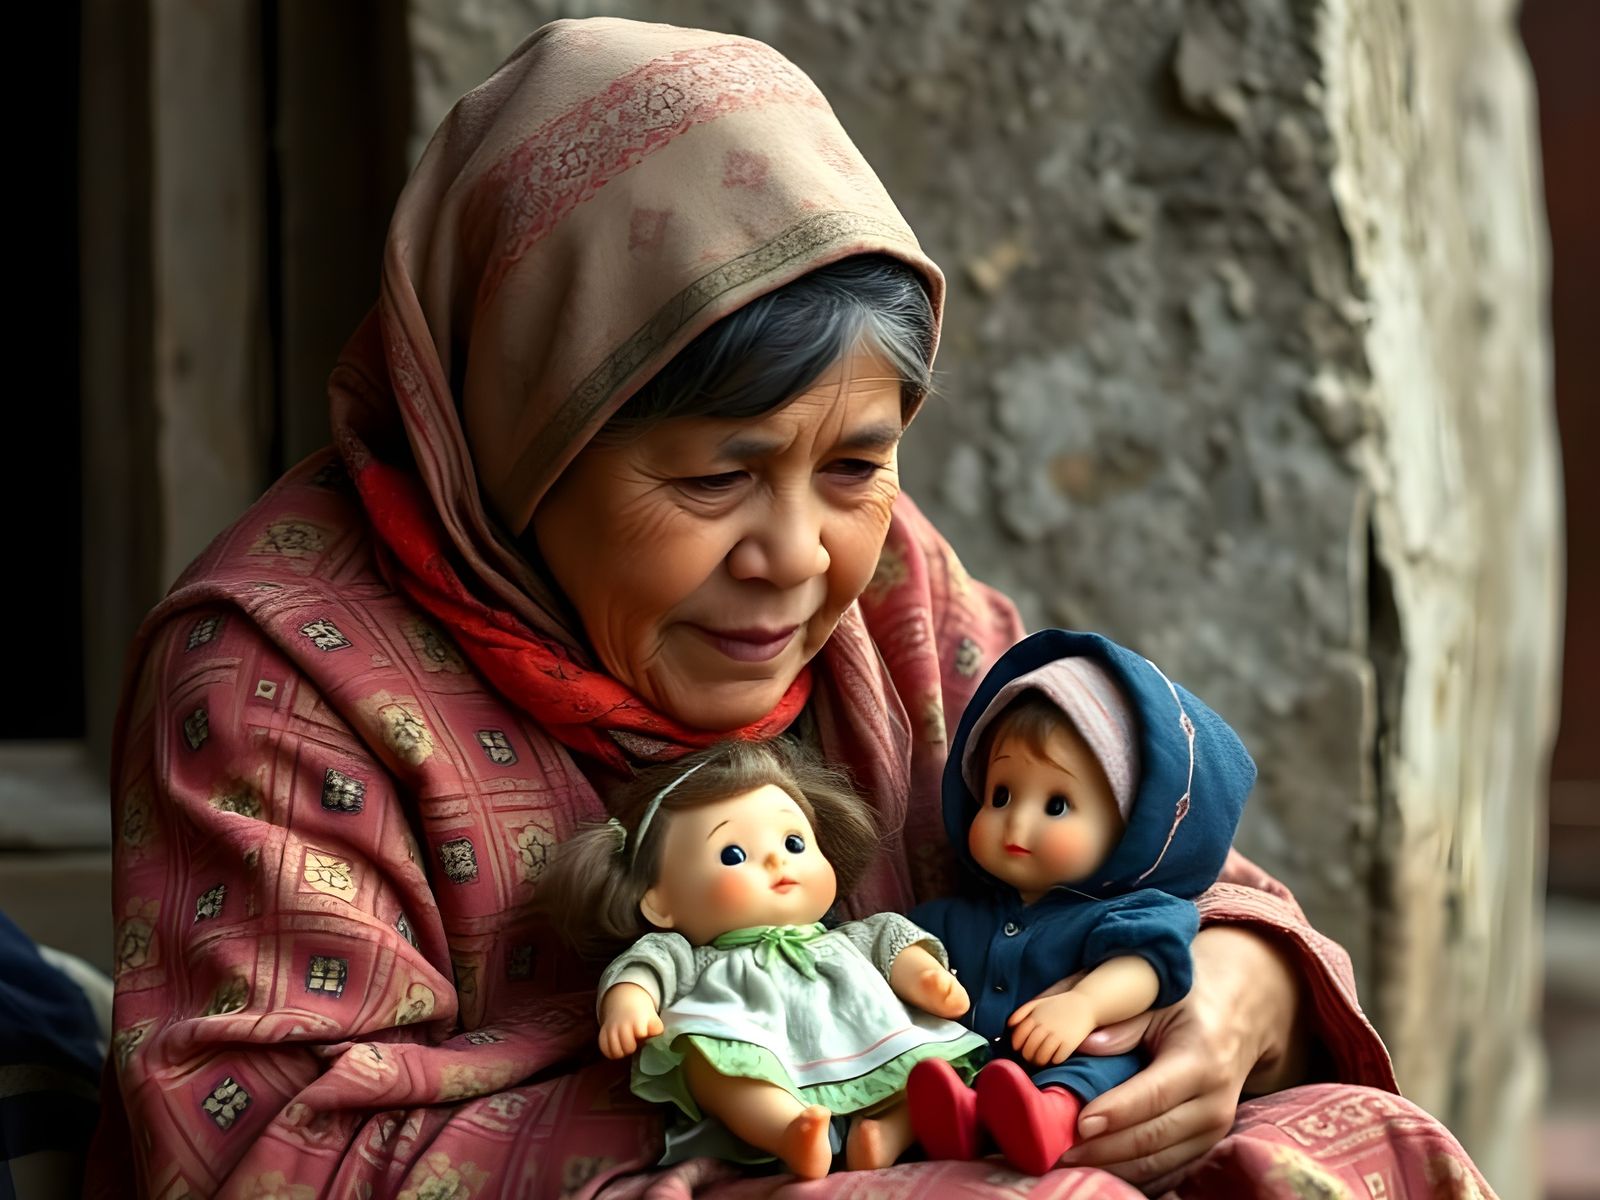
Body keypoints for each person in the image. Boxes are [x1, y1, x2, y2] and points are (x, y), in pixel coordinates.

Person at [88, 16, 1493, 1199]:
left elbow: (1133, 828)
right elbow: (269, 1152)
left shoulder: (883, 583)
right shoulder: (277, 674)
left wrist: (1239, 985)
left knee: (1361, 1148)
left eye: (858, 467)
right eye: (717, 477)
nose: (799, 557)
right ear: (526, 433)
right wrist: (778, 1075)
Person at [540, 739, 984, 1176]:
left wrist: (925, 976)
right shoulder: (690, 956)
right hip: (750, 1040)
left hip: (865, 1037)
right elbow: (644, 967)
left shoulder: (850, 938)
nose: (777, 859)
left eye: (794, 843)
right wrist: (628, 1005)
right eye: (734, 855)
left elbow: (890, 942)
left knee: (926, 1065)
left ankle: (885, 1134)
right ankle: (787, 1130)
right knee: (718, 1069)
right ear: (659, 903)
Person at [906, 629, 1251, 1175]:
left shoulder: (1126, 913)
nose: (1016, 823)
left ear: (1133, 828)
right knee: (944, 1063)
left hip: (1078, 1051)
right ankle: (965, 1117)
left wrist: (1086, 1005)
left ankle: (1049, 1119)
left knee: (1099, 1066)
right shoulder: (965, 912)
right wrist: (913, 966)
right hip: (978, 1058)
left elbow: (1146, 966)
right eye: (1001, 795)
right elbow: (906, 941)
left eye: (1058, 803)